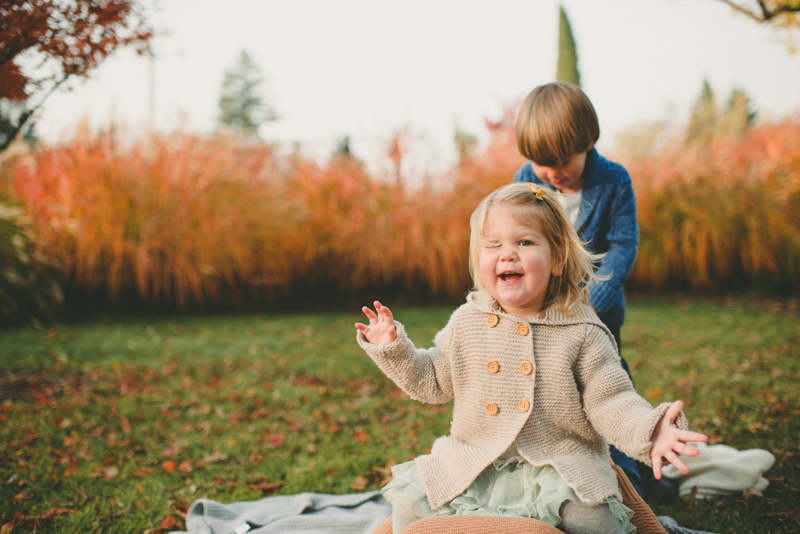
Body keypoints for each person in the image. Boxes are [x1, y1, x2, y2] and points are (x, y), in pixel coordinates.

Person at [355, 183, 707, 534]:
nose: (507, 254)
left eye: (524, 242)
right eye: (493, 245)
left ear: (557, 259)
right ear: (479, 260)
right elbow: (432, 380)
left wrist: (650, 429)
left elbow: (612, 400)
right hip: (477, 461)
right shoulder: (468, 320)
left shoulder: (581, 329)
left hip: (556, 468)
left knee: (594, 523)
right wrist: (394, 349)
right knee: (406, 508)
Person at [512, 82, 652, 499]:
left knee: (608, 393)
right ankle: (560, 475)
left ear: (589, 141)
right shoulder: (525, 180)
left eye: (563, 161)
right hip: (541, 317)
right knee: (551, 397)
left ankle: (633, 483)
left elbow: (624, 243)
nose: (553, 173)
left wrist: (596, 299)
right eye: (541, 163)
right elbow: (515, 235)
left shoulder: (613, 180)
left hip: (597, 317)